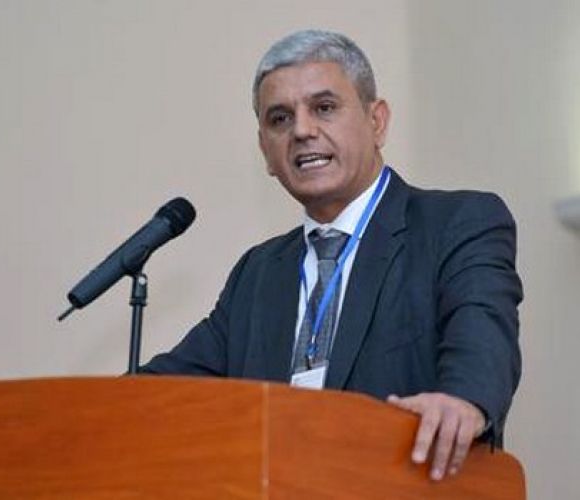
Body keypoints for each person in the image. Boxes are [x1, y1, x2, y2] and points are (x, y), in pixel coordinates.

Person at [140, 29, 522, 481]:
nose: (301, 130)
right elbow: (169, 389)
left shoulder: (456, 223)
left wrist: (464, 400)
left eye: (324, 107)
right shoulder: (257, 274)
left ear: (377, 122)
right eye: (280, 118)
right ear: (266, 152)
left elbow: (482, 335)